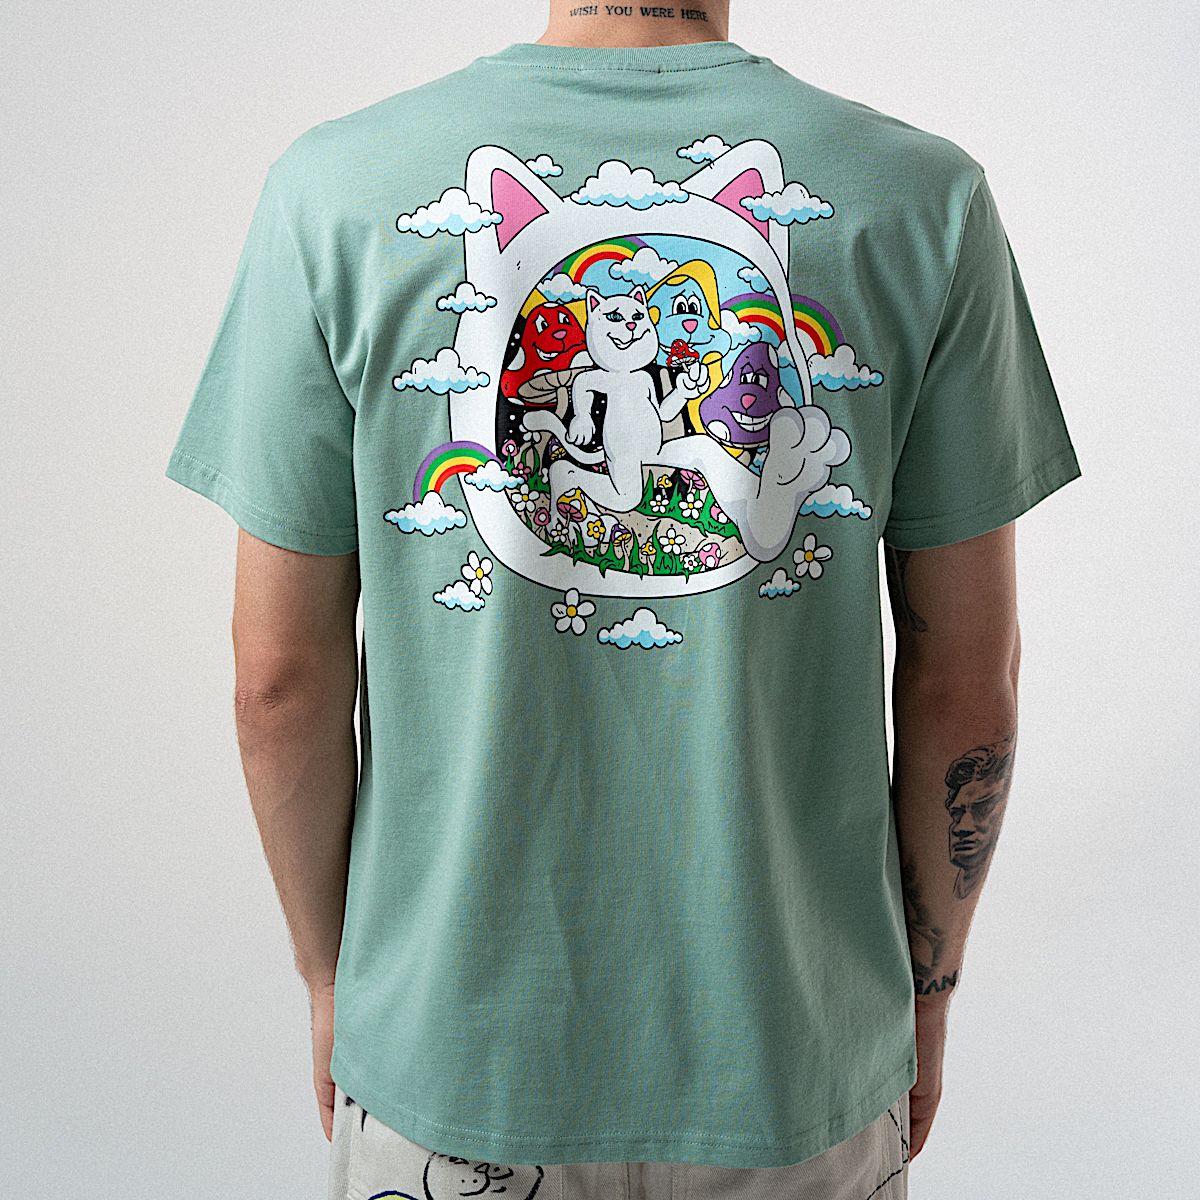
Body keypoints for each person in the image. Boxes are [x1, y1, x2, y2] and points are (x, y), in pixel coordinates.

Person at [165, 2, 1081, 1196]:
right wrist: (928, 991)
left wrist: (334, 979)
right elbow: (968, 683)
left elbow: (275, 681)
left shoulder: (332, 190)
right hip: (797, 1059)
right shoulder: (923, 198)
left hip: (454, 1058)